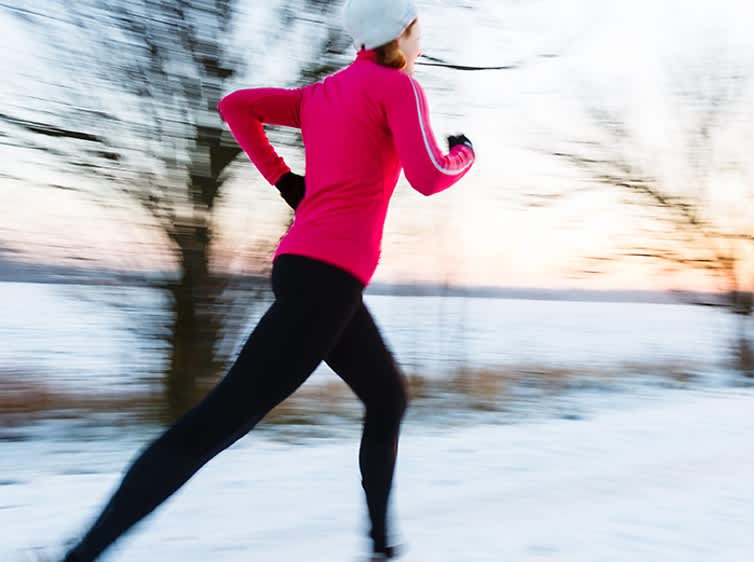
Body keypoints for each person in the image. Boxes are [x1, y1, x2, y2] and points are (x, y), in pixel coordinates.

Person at [59, 0, 474, 560]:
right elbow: (429, 175)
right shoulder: (398, 88)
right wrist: (464, 153)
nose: (421, 40)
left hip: (308, 269)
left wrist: (284, 180)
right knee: (217, 422)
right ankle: (82, 553)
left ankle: (381, 547)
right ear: (401, 33)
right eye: (417, 29)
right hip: (326, 280)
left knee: (387, 397)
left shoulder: (321, 94)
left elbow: (236, 106)